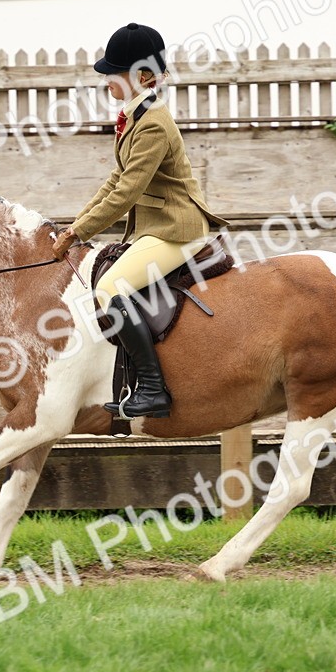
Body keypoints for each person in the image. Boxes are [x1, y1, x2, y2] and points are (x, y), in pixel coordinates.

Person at [52, 22, 228, 419]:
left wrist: (79, 232)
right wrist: (74, 226)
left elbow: (127, 192)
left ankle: (152, 389)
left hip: (176, 229)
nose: (107, 80)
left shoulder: (152, 123)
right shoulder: (135, 116)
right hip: (155, 227)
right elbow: (115, 179)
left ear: (143, 76)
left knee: (110, 287)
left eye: (115, 73)